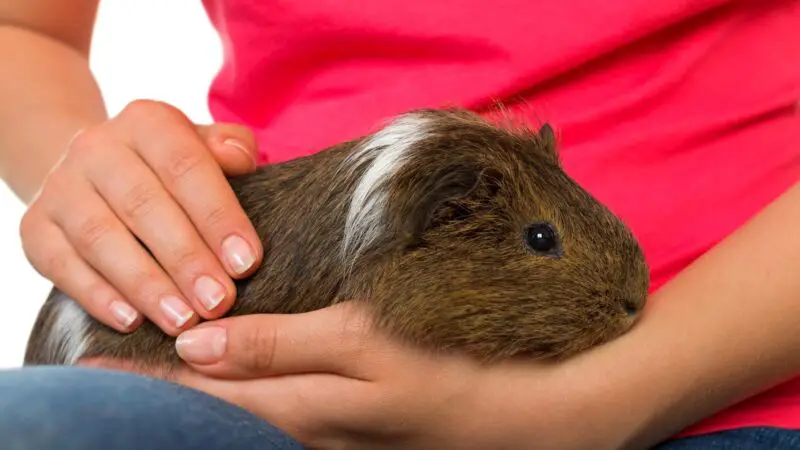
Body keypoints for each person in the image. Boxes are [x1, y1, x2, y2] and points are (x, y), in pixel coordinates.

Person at [0, 0, 798, 448]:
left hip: (741, 400)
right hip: (270, 414)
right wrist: (114, 198)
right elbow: (22, 27)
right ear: (437, 220)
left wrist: (603, 399)